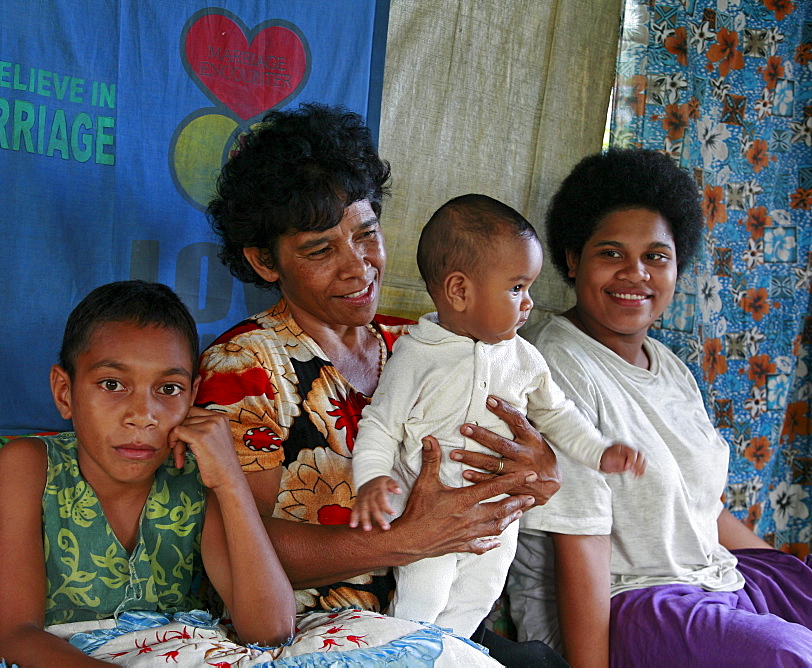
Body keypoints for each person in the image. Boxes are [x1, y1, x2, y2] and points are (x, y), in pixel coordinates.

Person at [197, 103, 567, 667]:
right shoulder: (242, 367)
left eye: (366, 234)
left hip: (452, 621)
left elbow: (517, 462)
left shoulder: (423, 341)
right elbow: (243, 547)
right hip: (316, 637)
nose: (358, 266)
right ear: (264, 261)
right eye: (320, 250)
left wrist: (536, 474)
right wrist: (406, 541)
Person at [507, 148, 812, 667]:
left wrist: (790, 577)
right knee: (794, 655)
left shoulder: (668, 364)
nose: (636, 274)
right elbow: (579, 537)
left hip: (715, 580)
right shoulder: (554, 364)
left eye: (655, 256)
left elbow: (699, 507)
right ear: (570, 259)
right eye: (611, 253)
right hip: (627, 603)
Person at [349, 194, 645, 638]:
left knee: (477, 598)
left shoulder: (525, 359)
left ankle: (450, 654)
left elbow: (558, 415)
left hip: (497, 519)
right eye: (516, 287)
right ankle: (404, 655)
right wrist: (371, 478)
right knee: (423, 598)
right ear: (460, 291)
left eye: (528, 288)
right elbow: (381, 424)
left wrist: (599, 452)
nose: (528, 302)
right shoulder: (417, 354)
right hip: (425, 513)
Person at [0, 280, 295, 666]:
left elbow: (271, 630)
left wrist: (230, 481)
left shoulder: (196, 476)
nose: (143, 415)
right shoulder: (29, 465)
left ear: (193, 397)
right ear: (64, 392)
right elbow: (13, 638)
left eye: (169, 388)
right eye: (113, 384)